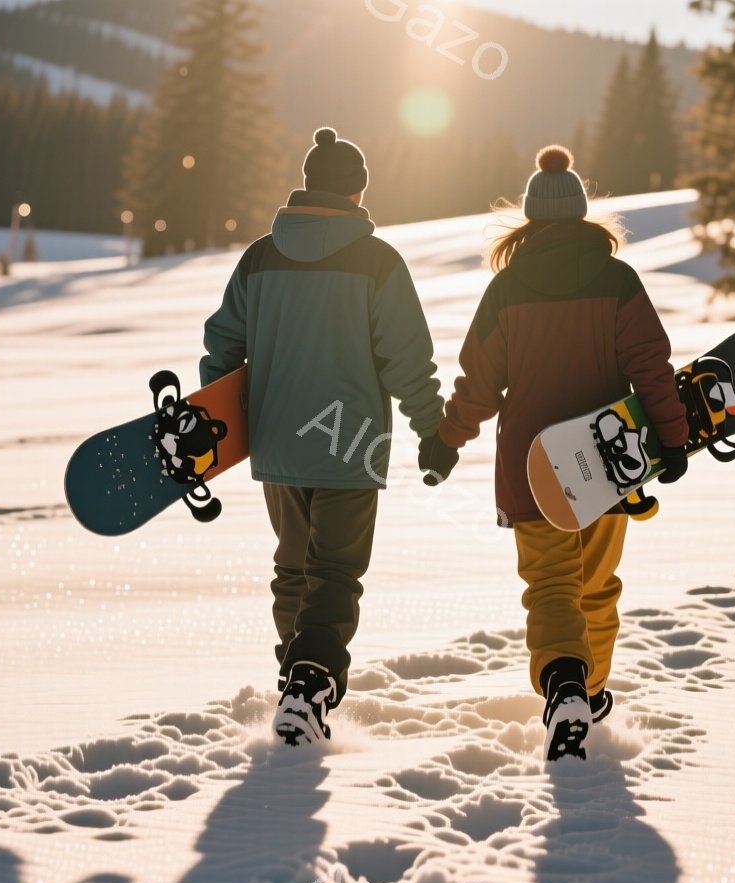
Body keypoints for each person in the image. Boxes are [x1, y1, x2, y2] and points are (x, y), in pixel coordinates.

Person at [200, 127, 458, 748]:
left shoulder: (261, 257)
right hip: (352, 446)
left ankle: (296, 681)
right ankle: (308, 687)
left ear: (308, 184)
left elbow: (222, 349)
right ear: (358, 191)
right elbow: (406, 361)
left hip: (277, 444)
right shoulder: (377, 262)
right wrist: (433, 431)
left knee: (293, 570)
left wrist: (225, 422)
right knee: (336, 572)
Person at [435, 145, 689, 761]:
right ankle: (589, 692)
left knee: (550, 589)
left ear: (529, 220)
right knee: (596, 588)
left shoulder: (506, 289)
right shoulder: (618, 281)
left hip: (531, 471)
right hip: (607, 462)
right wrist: (673, 437)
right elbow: (652, 370)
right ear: (581, 216)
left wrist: (448, 440)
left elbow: (478, 383)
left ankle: (564, 689)